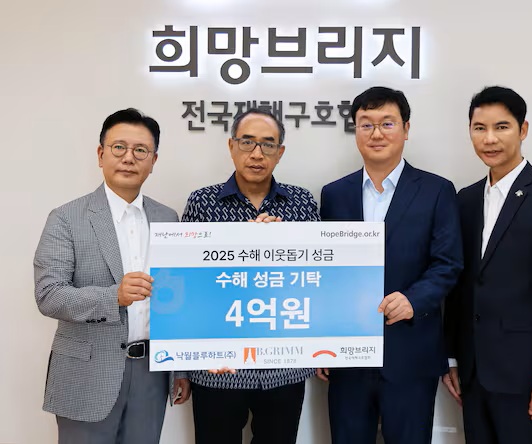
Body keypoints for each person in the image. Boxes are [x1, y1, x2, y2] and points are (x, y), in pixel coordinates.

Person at [34, 108, 190, 444]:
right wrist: (113, 296)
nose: (128, 158)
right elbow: (49, 295)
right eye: (119, 147)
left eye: (140, 150)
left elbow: (178, 297)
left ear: (153, 160)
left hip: (152, 373)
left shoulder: (168, 218)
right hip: (86, 373)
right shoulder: (66, 218)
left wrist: (179, 367)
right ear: (100, 154)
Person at [319, 86, 463, 444]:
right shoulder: (334, 194)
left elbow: (447, 263)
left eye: (387, 123)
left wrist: (414, 299)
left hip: (411, 352)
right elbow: (325, 272)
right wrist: (321, 339)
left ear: (406, 128)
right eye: (366, 124)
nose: (376, 133)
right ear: (356, 131)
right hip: (347, 356)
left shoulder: (437, 190)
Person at [443, 86, 532, 444]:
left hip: (525, 378)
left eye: (501, 127)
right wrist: (454, 358)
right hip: (474, 374)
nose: (489, 139)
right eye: (479, 128)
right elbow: (460, 287)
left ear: (523, 130)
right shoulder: (465, 200)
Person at [182, 108, 319, 444]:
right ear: (231, 146)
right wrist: (240, 245)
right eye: (247, 142)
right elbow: (187, 284)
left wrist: (283, 245)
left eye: (268, 145)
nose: (257, 154)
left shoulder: (301, 202)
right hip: (217, 366)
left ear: (280, 152)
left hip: (284, 366)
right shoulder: (202, 202)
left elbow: (317, 279)